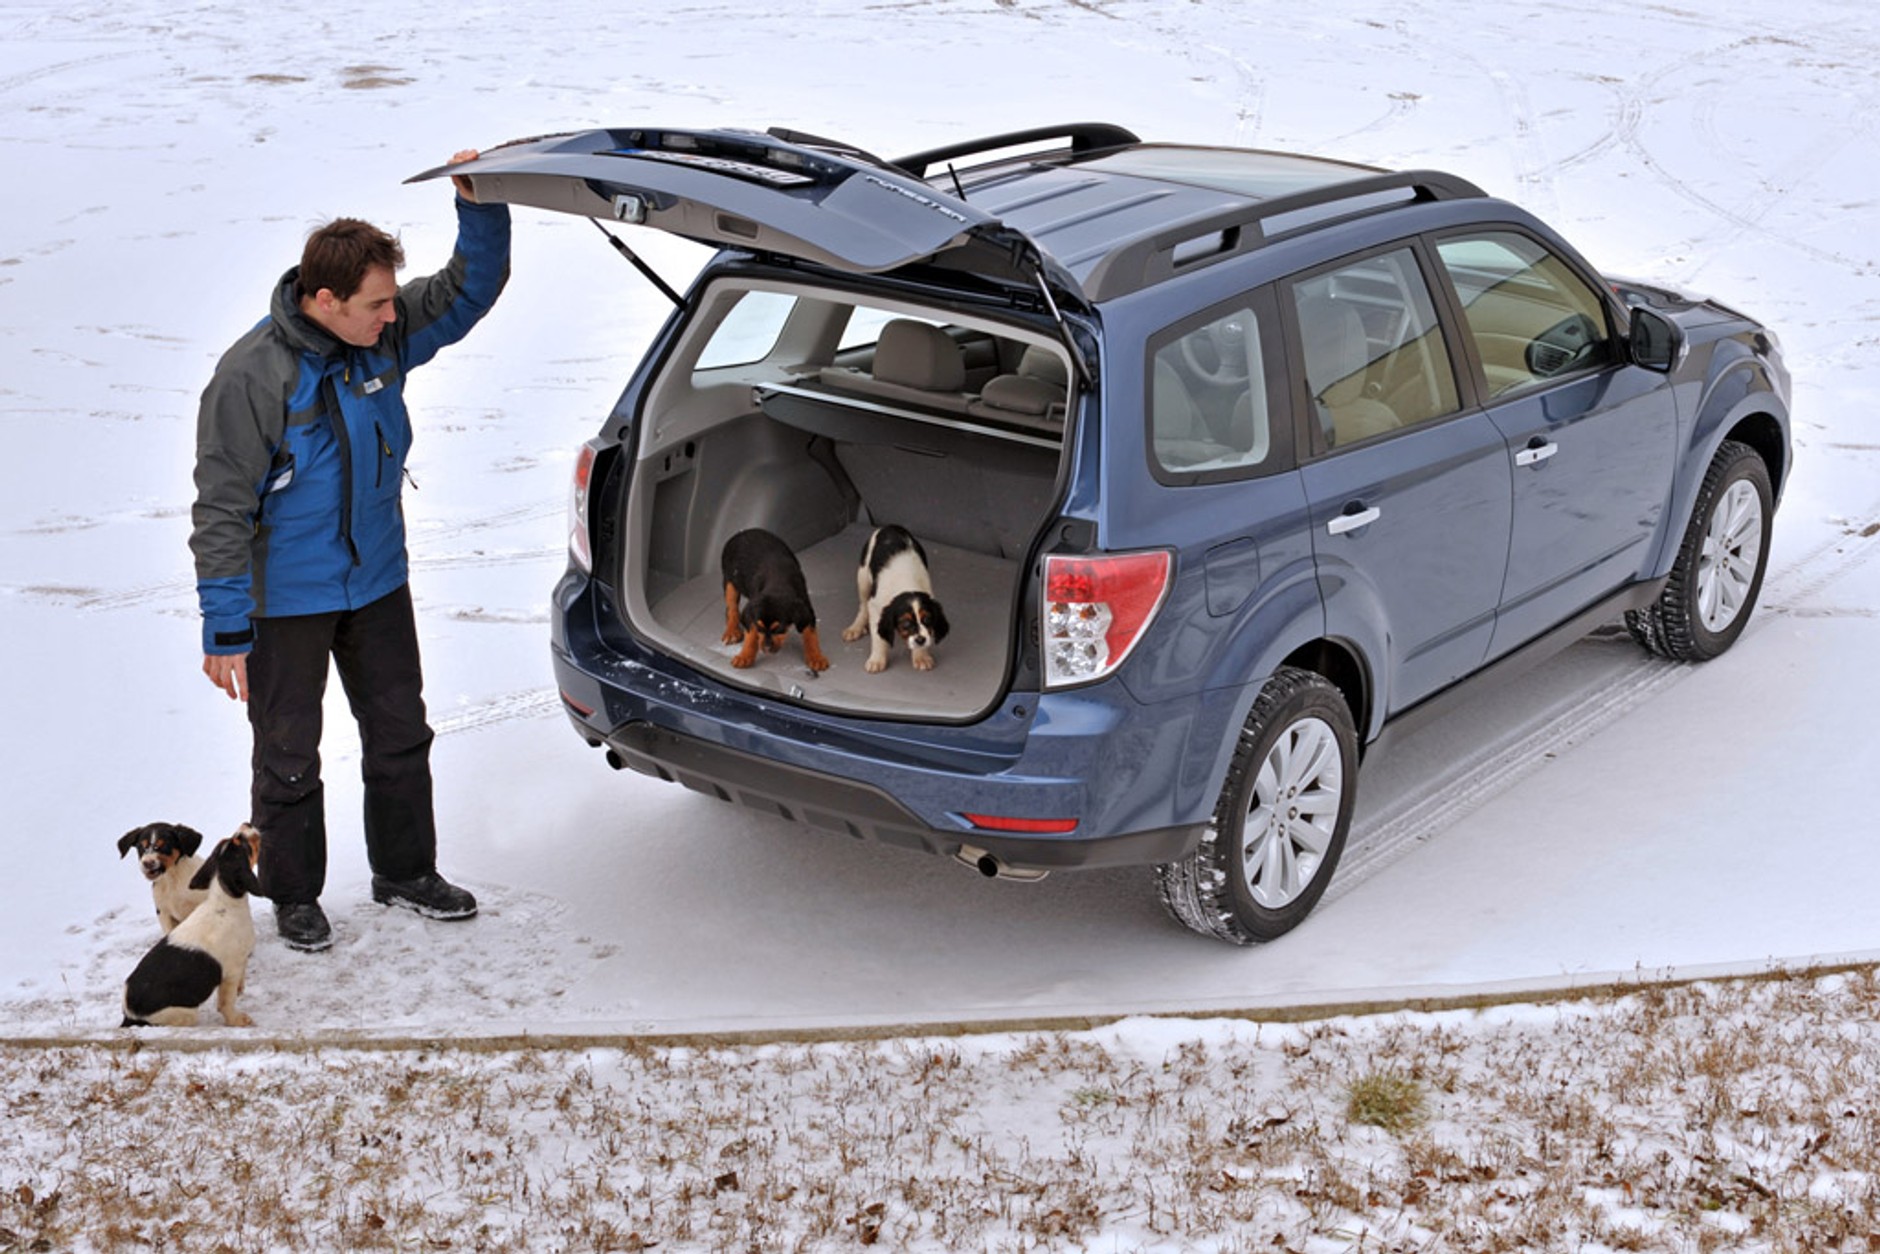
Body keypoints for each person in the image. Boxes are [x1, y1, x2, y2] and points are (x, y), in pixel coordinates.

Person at [189, 150, 510, 951]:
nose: (393, 316)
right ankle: (294, 893)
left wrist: (481, 205)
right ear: (324, 299)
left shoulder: (382, 342)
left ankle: (405, 871)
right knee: (289, 754)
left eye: (393, 301)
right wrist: (225, 626)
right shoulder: (252, 377)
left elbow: (468, 290)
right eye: (377, 304)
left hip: (376, 584)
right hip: (285, 601)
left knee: (400, 731)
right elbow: (222, 506)